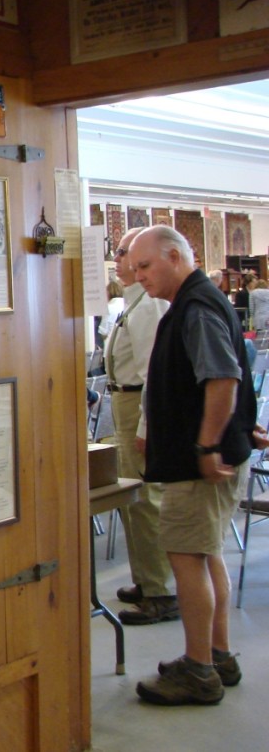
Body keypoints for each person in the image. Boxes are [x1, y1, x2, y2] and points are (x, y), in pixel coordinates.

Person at [128, 225, 255, 706]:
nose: (138, 276)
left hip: (195, 464)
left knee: (188, 561)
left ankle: (199, 669)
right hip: (203, 458)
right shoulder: (198, 302)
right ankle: (216, 654)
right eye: (135, 267)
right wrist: (244, 425)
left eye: (145, 266)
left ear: (176, 256)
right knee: (205, 556)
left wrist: (205, 447)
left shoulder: (196, 307)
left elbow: (222, 378)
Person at [104, 228, 176, 626]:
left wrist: (146, 427)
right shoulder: (132, 304)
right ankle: (147, 580)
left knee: (146, 500)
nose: (118, 259)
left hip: (136, 405)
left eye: (125, 253)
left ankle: (161, 589)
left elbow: (152, 373)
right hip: (124, 402)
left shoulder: (147, 307)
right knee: (134, 498)